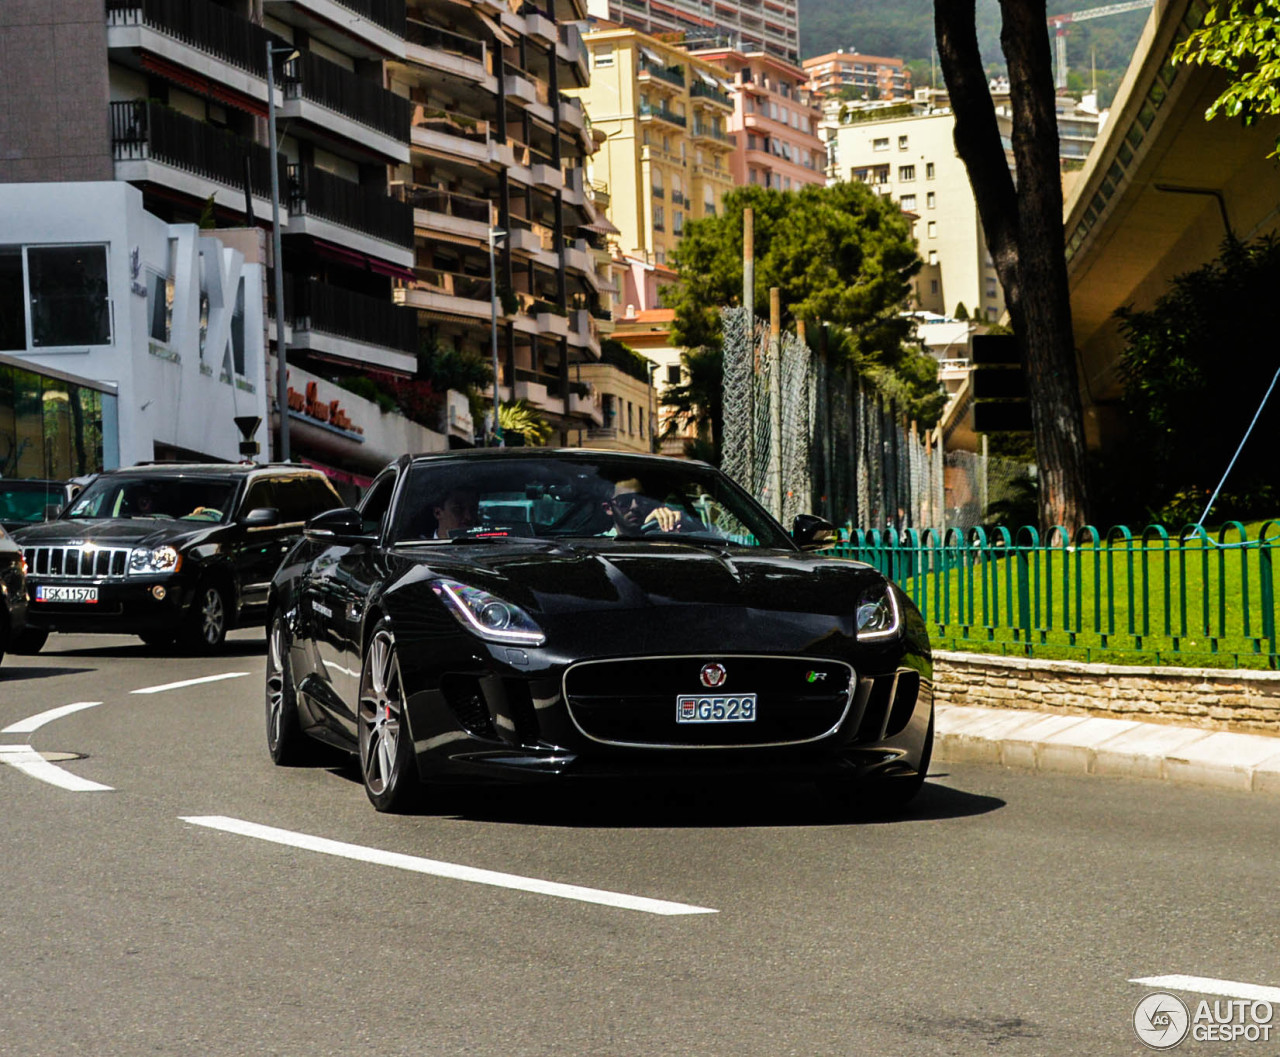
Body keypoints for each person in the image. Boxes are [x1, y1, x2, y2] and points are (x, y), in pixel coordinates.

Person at [603, 477, 688, 537]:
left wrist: (671, 530)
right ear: (608, 508)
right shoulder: (597, 544)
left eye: (640, 498)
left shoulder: (660, 536)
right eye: (624, 500)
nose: (635, 506)